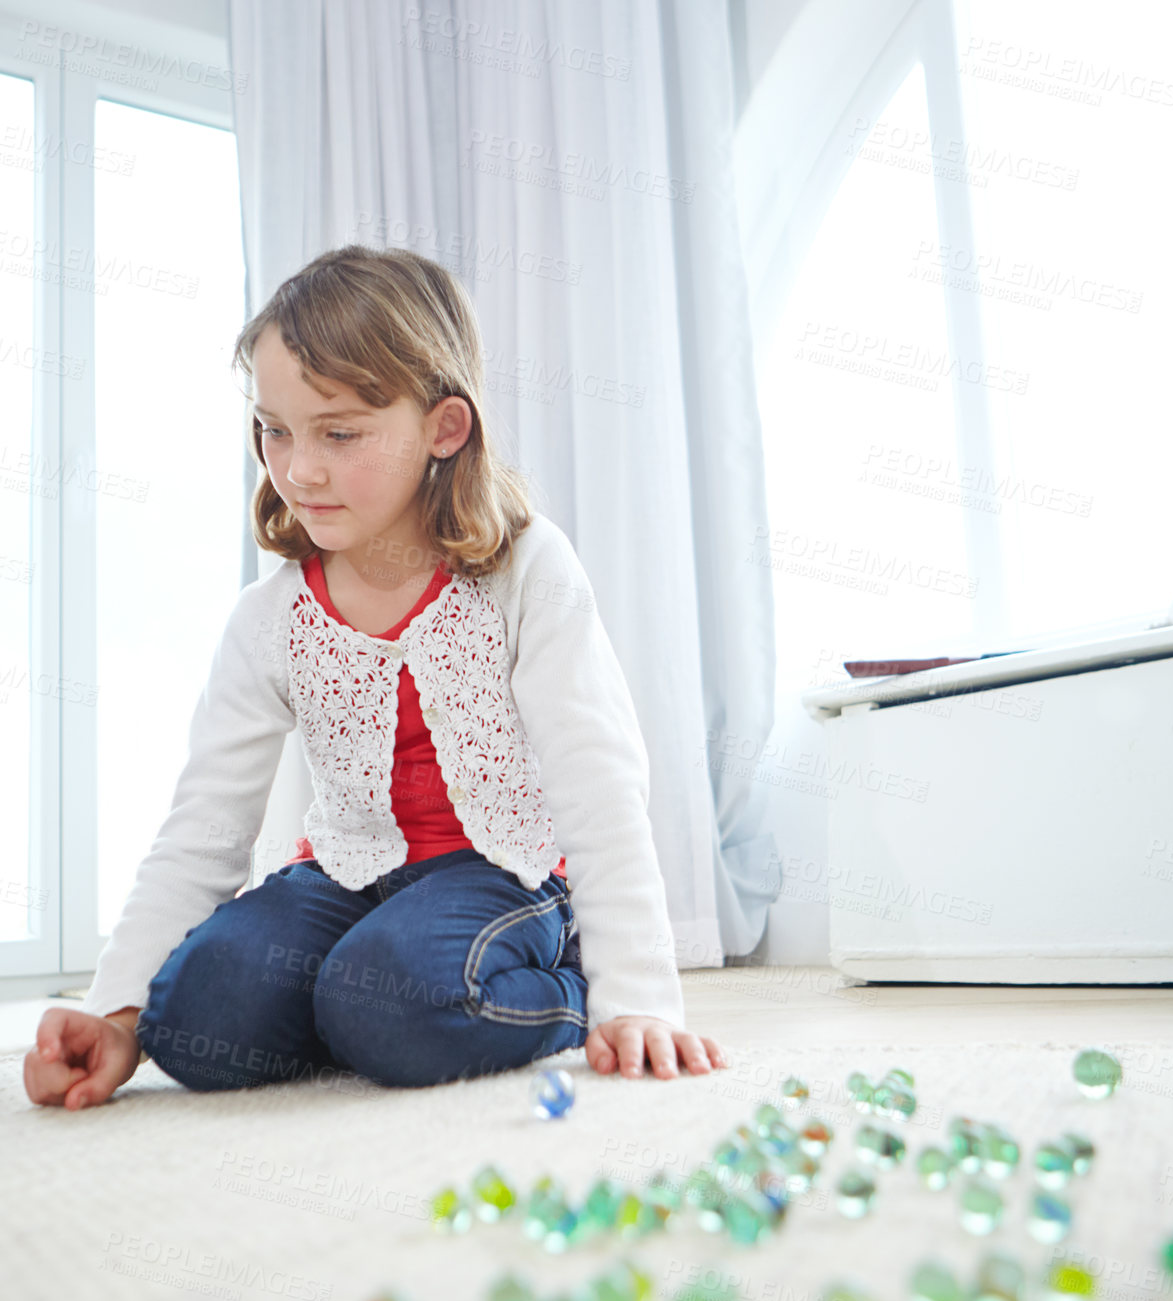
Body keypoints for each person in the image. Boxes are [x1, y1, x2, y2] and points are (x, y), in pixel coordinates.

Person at [24, 245, 725, 1111]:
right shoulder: (268, 619)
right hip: (343, 879)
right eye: (274, 430)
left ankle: (552, 989)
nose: (299, 468)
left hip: (499, 876)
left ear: (444, 429)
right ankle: (359, 1002)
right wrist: (116, 1012)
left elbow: (599, 781)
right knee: (192, 1018)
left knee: (386, 998)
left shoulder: (525, 570)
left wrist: (639, 997)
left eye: (339, 432)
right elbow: (204, 823)